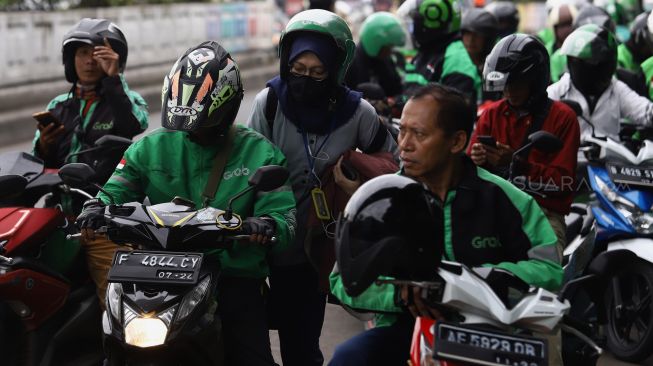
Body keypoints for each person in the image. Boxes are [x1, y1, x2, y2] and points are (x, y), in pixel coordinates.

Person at [75, 41, 297, 366]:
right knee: (113, 344)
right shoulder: (148, 148)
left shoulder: (260, 154)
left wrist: (265, 226)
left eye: (203, 127)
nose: (193, 134)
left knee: (252, 357)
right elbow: (114, 192)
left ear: (226, 108)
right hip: (156, 272)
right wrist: (96, 209)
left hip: (230, 274)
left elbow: (284, 220)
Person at [328, 83, 563, 366]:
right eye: (402, 130)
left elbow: (549, 270)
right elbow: (342, 280)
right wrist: (402, 294)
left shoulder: (505, 198)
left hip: (491, 333)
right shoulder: (383, 200)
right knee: (348, 359)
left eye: (419, 134)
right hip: (409, 329)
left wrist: (468, 282)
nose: (404, 144)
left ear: (457, 142)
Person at [246, 9, 398, 366]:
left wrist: (358, 179)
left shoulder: (357, 112)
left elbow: (392, 163)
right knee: (249, 343)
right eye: (298, 71)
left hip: (315, 247)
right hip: (262, 241)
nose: (306, 80)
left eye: (317, 72)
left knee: (301, 342)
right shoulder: (268, 104)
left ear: (336, 69)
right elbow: (247, 163)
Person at [468, 34, 579, 254]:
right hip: (493, 209)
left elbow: (563, 183)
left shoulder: (563, 118)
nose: (509, 91)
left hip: (543, 213)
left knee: (545, 277)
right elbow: (465, 173)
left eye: (516, 83)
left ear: (535, 80)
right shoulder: (491, 115)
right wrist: (475, 160)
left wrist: (516, 163)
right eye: (505, 84)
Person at [32, 18, 148, 186]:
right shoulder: (57, 105)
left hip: (106, 201)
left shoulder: (131, 99)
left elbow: (134, 126)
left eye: (98, 53)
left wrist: (113, 79)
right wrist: (44, 146)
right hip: (61, 199)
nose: (90, 61)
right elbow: (37, 164)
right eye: (83, 52)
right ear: (70, 60)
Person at [548, 24, 653, 141]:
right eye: (573, 60)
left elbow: (645, 111)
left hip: (612, 158)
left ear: (603, 64)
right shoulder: (558, 91)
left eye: (585, 62)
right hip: (570, 157)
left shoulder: (616, 89)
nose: (576, 65)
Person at [398, 0, 480, 103]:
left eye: (416, 21)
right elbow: (409, 94)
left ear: (434, 21)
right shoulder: (426, 51)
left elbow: (453, 112)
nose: (412, 29)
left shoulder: (456, 59)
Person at [345, 11, 406, 98]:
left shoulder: (385, 60)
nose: (390, 51)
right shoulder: (350, 63)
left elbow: (396, 89)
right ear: (375, 41)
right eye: (388, 47)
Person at [460, 7, 501, 104]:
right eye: (467, 34)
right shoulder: (454, 65)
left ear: (488, 39)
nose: (471, 40)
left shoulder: (498, 68)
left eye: (477, 35)